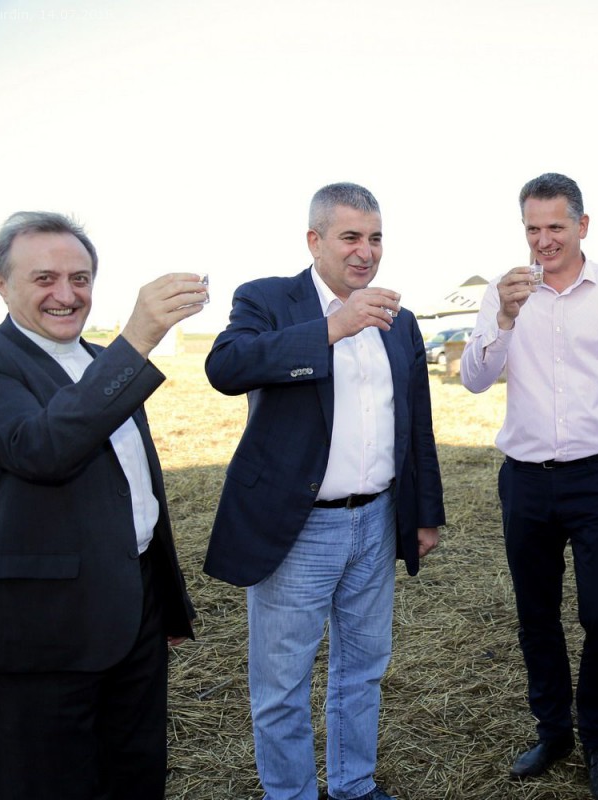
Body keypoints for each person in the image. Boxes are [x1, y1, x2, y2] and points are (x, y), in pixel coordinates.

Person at [204, 182, 445, 800]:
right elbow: (226, 367)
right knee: (282, 685)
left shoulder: (399, 320)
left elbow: (415, 423)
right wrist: (332, 328)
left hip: (377, 521)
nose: (366, 251)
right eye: (351, 237)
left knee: (362, 670)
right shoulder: (267, 299)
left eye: (376, 238)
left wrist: (424, 514)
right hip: (298, 527)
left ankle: (353, 785)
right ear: (315, 241)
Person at [0, 211, 204, 799]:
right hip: (41, 633)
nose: (66, 294)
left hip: (133, 612)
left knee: (136, 775)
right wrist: (138, 340)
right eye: (45, 278)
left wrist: (163, 603)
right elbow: (43, 448)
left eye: (80, 279)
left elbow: (137, 490)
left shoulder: (102, 358)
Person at [460, 172, 598, 800]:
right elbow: (474, 379)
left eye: (555, 226)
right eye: (532, 228)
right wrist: (503, 317)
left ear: (583, 225)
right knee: (536, 614)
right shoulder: (503, 293)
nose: (543, 240)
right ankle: (553, 732)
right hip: (525, 480)